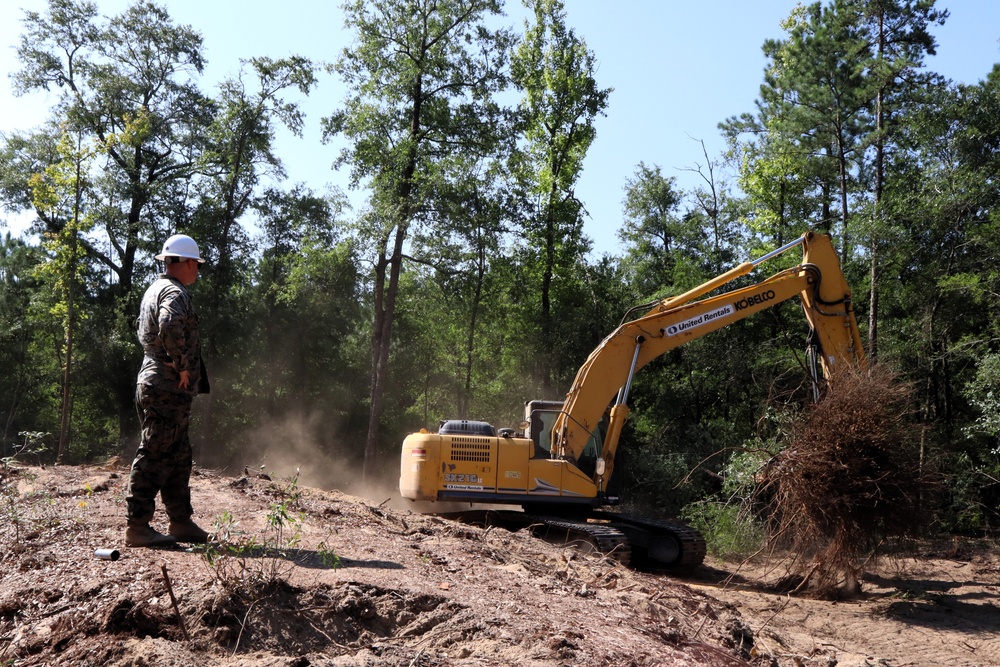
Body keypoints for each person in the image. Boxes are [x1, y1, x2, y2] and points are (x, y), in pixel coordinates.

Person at [124, 233, 211, 548]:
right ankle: (137, 526)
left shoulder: (155, 289)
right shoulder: (175, 293)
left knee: (178, 455)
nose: (197, 271)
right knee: (156, 453)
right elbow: (169, 325)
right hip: (165, 385)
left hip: (155, 381)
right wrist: (184, 364)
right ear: (186, 263)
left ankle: (180, 521)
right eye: (196, 265)